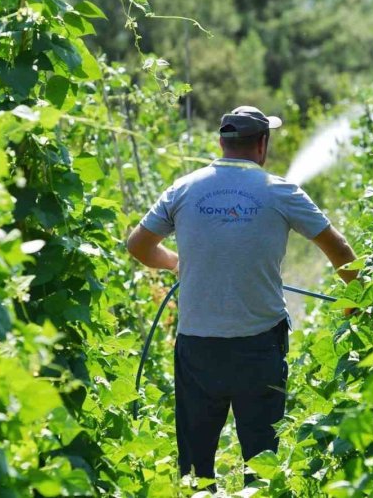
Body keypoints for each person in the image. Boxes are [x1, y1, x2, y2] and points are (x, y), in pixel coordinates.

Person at [126, 105, 358, 490]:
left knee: (195, 471)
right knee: (263, 469)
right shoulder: (282, 191)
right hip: (259, 349)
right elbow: (340, 250)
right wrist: (355, 303)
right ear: (262, 145)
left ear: (221, 143)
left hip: (198, 348)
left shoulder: (183, 189)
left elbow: (138, 246)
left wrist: (174, 263)